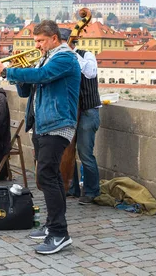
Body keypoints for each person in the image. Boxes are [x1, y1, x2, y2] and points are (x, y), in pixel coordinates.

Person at [0, 20, 80, 255]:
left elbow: (43, 75)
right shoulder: (45, 57)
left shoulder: (64, 57)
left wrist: (8, 70)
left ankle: (60, 233)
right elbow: (27, 89)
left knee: (46, 176)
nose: (37, 45)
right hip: (42, 124)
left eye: (40, 41)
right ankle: (52, 225)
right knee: (52, 177)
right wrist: (18, 76)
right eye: (35, 41)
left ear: (54, 38)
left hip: (58, 124)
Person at [66, 35, 102, 205]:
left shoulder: (86, 55)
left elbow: (90, 72)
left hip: (88, 110)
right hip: (71, 112)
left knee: (85, 153)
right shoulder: (59, 59)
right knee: (68, 151)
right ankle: (71, 187)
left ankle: (92, 191)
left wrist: (71, 55)